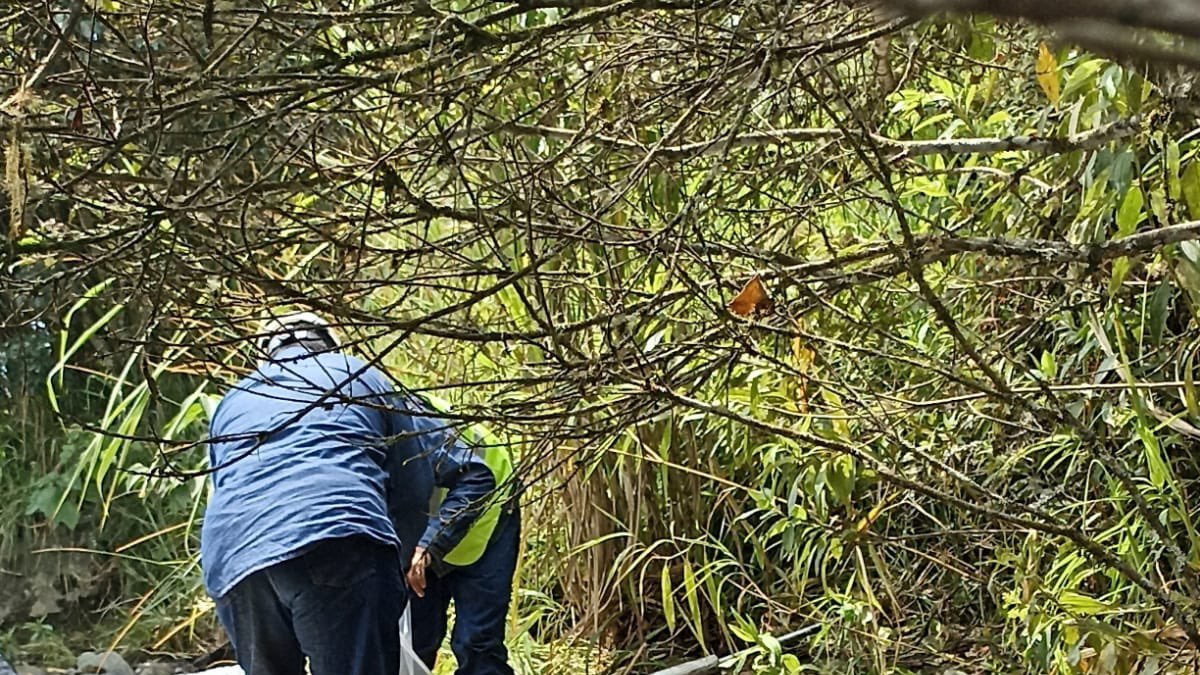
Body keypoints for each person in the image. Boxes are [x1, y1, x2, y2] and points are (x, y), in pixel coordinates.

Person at [201, 311, 495, 675]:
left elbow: (223, 487)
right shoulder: (360, 375)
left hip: (234, 558)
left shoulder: (233, 400)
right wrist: (405, 560)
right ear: (330, 346)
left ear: (265, 356)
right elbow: (417, 482)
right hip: (336, 536)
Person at [407, 406, 521, 675]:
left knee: (477, 642)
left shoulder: (407, 425)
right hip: (423, 528)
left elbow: (476, 480)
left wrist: (429, 543)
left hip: (488, 511)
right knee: (414, 639)